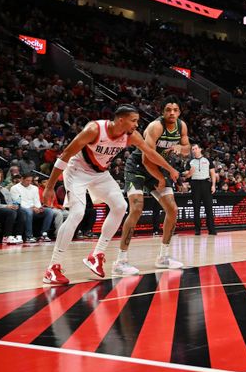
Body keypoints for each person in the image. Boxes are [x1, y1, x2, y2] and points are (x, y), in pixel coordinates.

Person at [41, 105, 179, 285]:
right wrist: (50, 186)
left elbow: (150, 153)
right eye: (134, 120)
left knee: (121, 207)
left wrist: (170, 168)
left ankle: (97, 254)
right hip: (77, 171)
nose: (137, 125)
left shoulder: (131, 136)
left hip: (100, 173)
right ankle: (52, 267)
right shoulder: (94, 130)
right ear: (120, 120)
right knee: (77, 213)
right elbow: (65, 154)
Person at [117, 97, 191, 276]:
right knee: (136, 208)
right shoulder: (155, 127)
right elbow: (146, 157)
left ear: (179, 112)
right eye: (168, 109)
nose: (171, 113)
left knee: (173, 210)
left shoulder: (182, 126)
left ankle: (163, 257)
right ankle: (121, 260)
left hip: (159, 166)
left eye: (175, 109)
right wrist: (161, 177)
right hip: (138, 167)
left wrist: (181, 149)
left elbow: (187, 146)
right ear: (162, 112)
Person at [10, 173, 54, 243]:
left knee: (49, 211)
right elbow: (18, 202)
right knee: (28, 211)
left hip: (34, 208)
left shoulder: (34, 188)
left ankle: (44, 234)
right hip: (22, 209)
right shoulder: (14, 188)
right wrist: (31, 207)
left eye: (30, 181)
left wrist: (39, 207)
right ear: (22, 179)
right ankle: (29, 236)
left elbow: (36, 200)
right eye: (27, 180)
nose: (29, 182)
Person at [185, 144, 216, 235]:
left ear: (200, 149)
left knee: (209, 208)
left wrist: (213, 185)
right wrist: (190, 172)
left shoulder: (208, 160)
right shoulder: (190, 161)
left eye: (195, 148)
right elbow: (187, 176)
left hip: (206, 184)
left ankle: (211, 229)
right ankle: (197, 230)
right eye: (192, 149)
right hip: (195, 184)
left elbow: (213, 174)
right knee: (196, 208)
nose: (194, 150)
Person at [0, 169, 23, 244]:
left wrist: (13, 206)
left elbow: (10, 200)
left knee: (20, 211)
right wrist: (7, 206)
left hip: (7, 208)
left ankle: (18, 235)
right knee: (11, 212)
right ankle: (7, 236)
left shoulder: (4, 189)